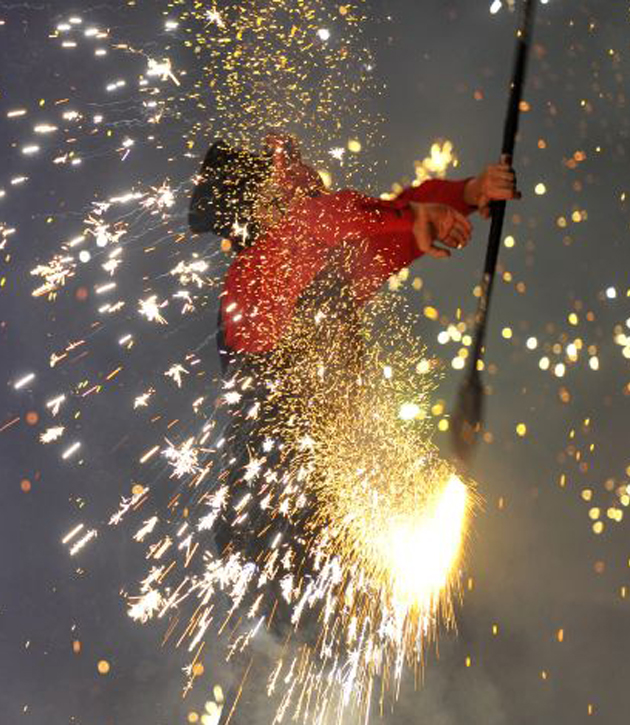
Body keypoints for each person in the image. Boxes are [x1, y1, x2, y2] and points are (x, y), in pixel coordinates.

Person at [188, 132, 519, 559]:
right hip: (279, 483)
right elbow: (331, 219)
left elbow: (372, 232)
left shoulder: (317, 256)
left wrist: (464, 194)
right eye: (271, 191)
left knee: (345, 571)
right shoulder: (258, 268)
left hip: (322, 470)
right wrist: (414, 215)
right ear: (257, 208)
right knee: (296, 568)